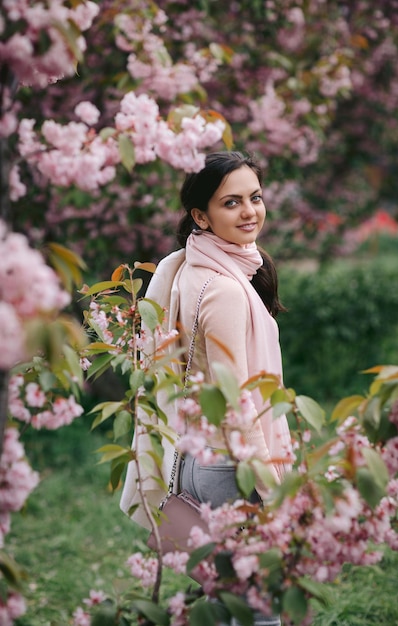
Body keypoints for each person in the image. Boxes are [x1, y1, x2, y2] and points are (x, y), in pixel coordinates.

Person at [120, 151, 291, 625]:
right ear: (201, 215)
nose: (249, 212)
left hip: (194, 456)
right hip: (229, 465)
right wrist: (273, 489)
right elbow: (239, 401)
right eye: (231, 202)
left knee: (224, 600)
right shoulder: (226, 289)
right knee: (261, 607)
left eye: (254, 198)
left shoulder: (184, 268)